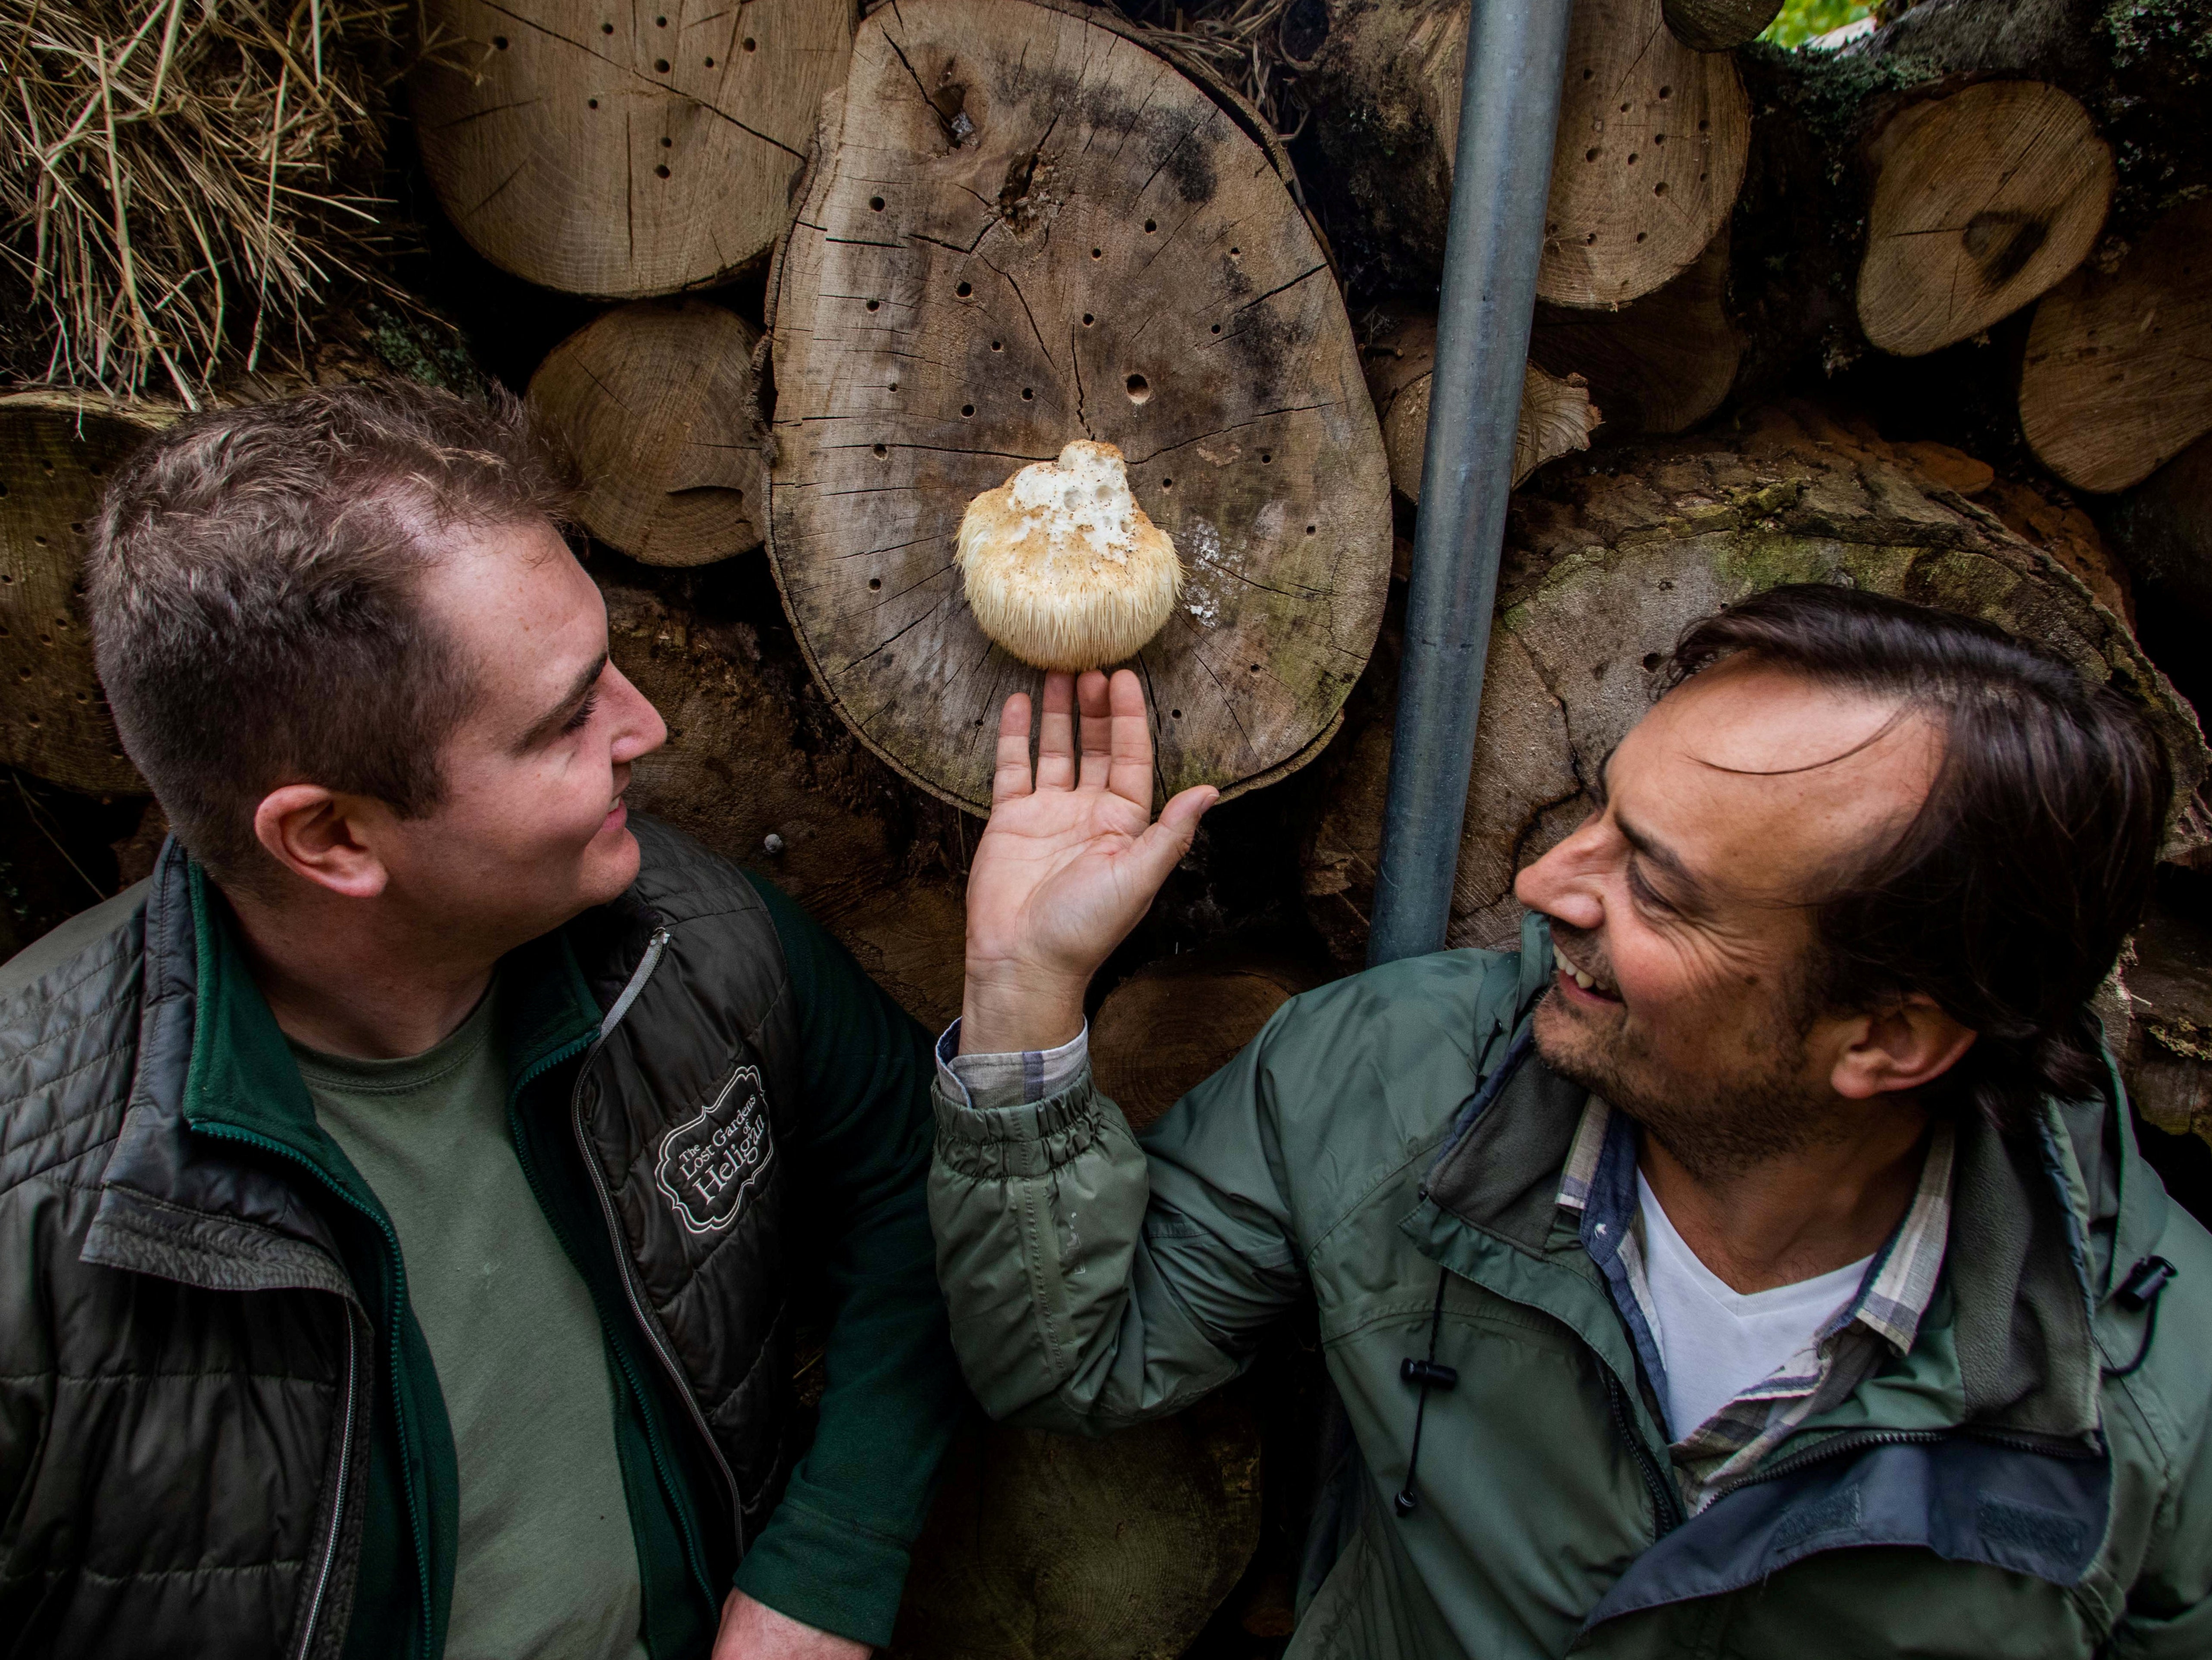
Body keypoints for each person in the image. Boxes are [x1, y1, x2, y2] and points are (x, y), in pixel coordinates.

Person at [929, 584, 2212, 1657]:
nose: (1546, 883)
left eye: (1655, 885)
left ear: (1887, 1039)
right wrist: (1021, 987)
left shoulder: (2166, 1401)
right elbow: (1075, 1356)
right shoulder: (1396, 1073)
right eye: (1603, 807)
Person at [0, 382, 964, 1659]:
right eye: (567, 720)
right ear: (332, 835)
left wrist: (830, 1566)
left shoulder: (688, 933)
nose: (646, 727)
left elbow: (922, 1180)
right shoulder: (29, 1203)